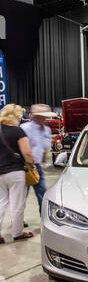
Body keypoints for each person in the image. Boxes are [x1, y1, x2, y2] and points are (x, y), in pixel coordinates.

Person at [0, 104, 34, 243]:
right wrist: (31, 165)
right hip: (15, 172)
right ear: (16, 116)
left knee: (1, 203)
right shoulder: (17, 131)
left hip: (0, 172)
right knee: (17, 204)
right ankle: (17, 233)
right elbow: (27, 153)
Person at [21, 104, 55, 215]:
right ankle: (18, 220)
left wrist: (44, 162)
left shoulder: (47, 130)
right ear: (36, 116)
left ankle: (43, 217)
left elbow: (45, 148)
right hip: (24, 166)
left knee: (42, 193)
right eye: (43, 116)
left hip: (37, 167)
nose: (45, 119)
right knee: (22, 195)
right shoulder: (25, 128)